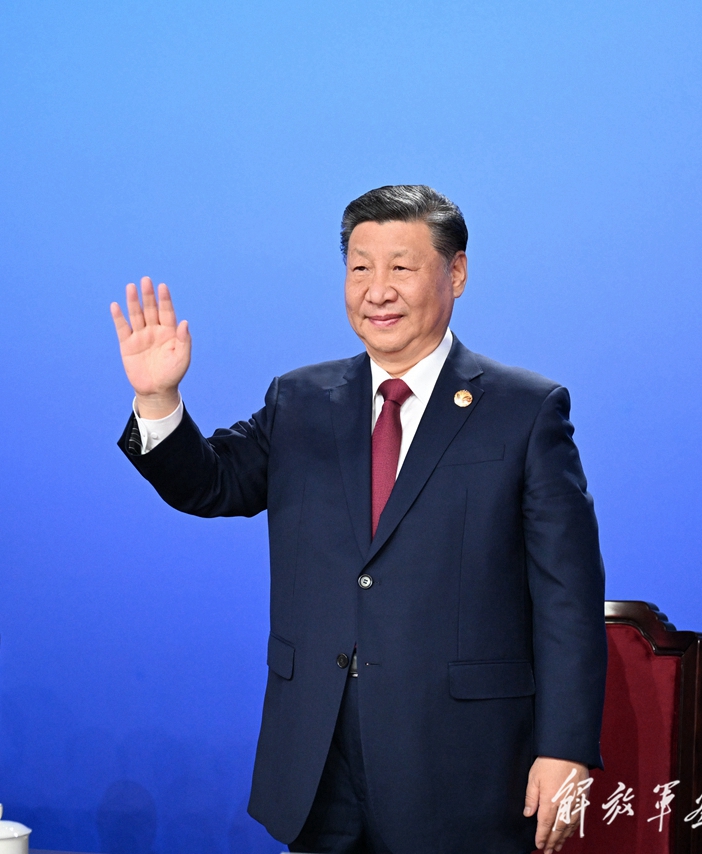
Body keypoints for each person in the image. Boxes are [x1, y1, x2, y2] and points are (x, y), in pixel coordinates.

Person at [111, 185, 607, 854]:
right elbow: (212, 484)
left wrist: (565, 748)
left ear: (456, 272)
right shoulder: (300, 400)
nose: (378, 291)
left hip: (463, 764)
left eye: (401, 267)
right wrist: (158, 400)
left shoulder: (524, 410)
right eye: (360, 268)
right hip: (319, 760)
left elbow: (567, 597)